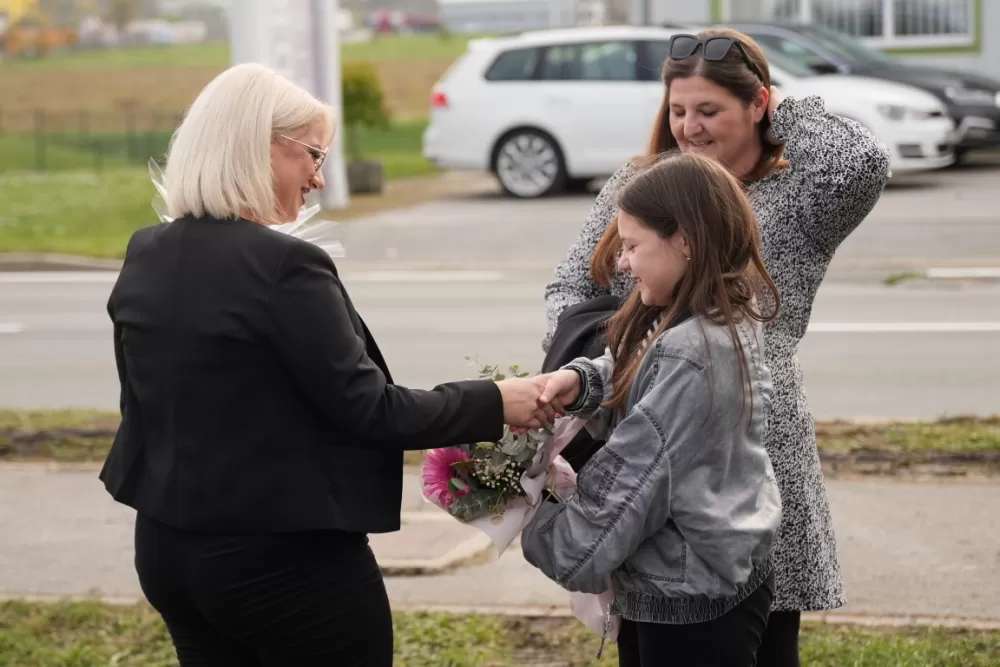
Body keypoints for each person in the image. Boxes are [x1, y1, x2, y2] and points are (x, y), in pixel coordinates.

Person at [100, 62, 553, 667]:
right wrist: (496, 402)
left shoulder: (147, 252)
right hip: (284, 561)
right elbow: (369, 408)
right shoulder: (285, 266)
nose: (317, 178)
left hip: (167, 553)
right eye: (312, 155)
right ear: (259, 146)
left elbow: (145, 404)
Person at [542, 28, 891, 666]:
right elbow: (570, 286)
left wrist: (776, 95)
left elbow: (861, 159)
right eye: (677, 110)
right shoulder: (646, 181)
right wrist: (612, 365)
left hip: (755, 434)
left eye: (710, 110)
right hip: (645, 416)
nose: (690, 128)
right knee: (655, 626)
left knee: (757, 631)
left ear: (758, 104)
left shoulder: (800, 187)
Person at [522, 151, 783, 666]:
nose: (622, 262)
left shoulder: (693, 352)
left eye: (633, 246)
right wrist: (582, 380)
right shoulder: (709, 318)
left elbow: (629, 482)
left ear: (683, 240)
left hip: (690, 606)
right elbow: (634, 363)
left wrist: (539, 525)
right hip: (706, 581)